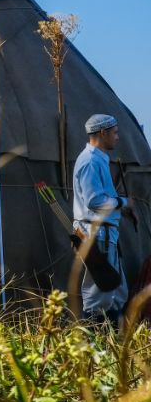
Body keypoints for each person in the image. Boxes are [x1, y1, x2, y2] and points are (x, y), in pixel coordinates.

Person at [73, 114, 130, 326]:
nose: (118, 137)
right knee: (101, 293)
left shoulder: (98, 159)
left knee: (116, 289)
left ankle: (113, 345)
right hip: (97, 235)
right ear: (102, 133)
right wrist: (123, 203)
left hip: (104, 234)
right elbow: (94, 200)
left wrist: (120, 208)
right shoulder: (89, 161)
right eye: (114, 132)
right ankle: (95, 349)